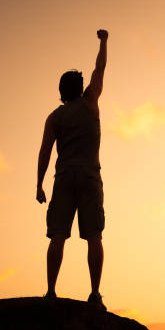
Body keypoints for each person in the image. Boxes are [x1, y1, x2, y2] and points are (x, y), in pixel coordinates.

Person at [36, 29, 108, 310]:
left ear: (61, 91)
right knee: (94, 236)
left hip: (64, 177)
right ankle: (94, 294)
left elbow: (44, 152)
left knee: (57, 235)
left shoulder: (54, 117)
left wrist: (38, 184)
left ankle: (51, 292)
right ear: (80, 88)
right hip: (90, 177)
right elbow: (100, 68)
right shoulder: (91, 102)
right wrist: (104, 41)